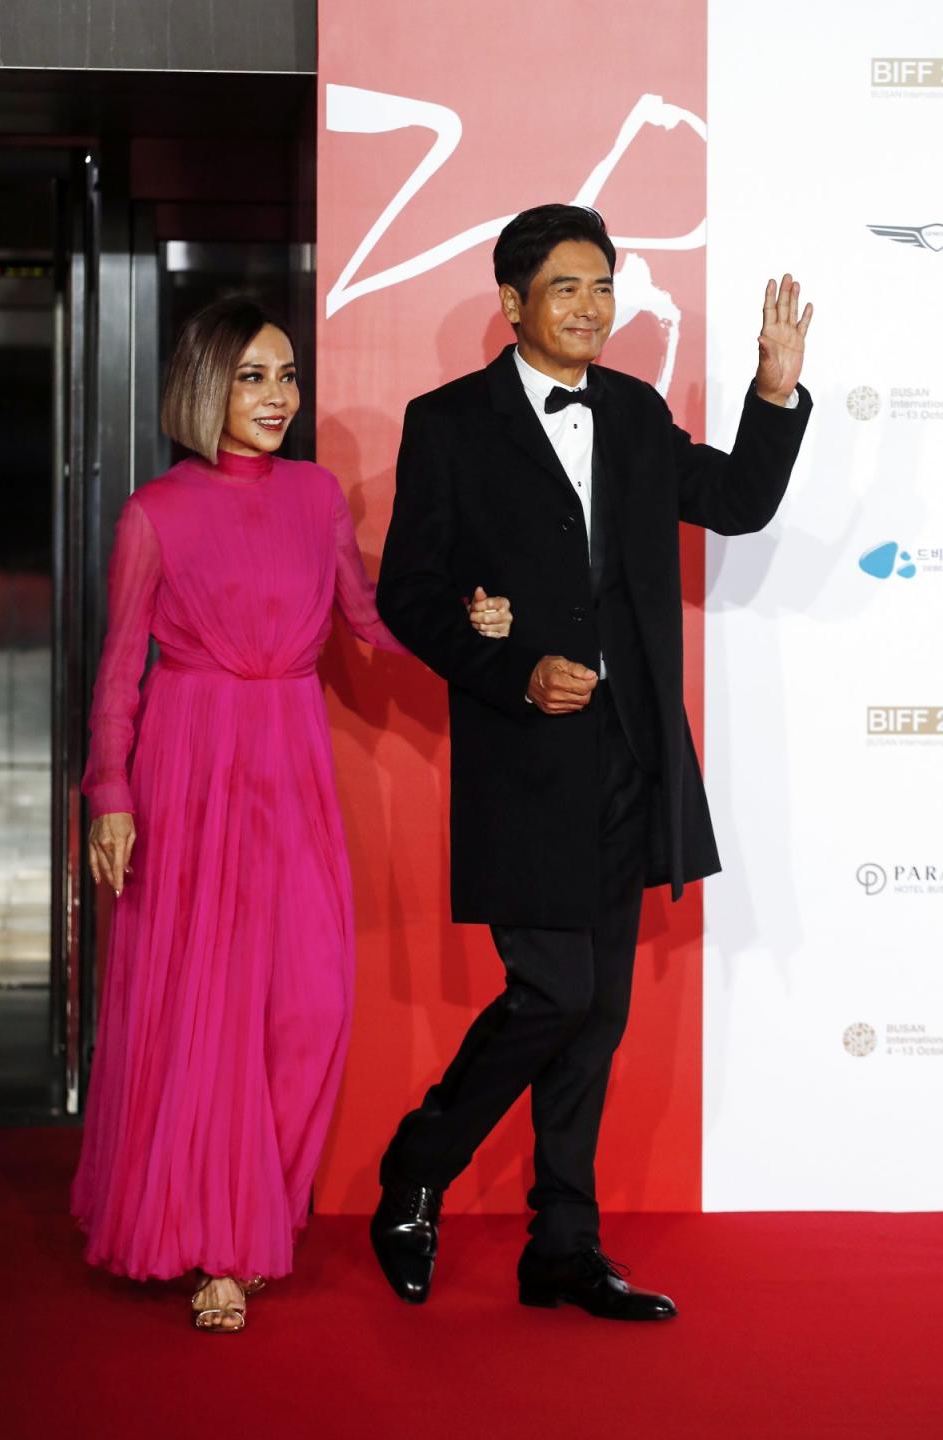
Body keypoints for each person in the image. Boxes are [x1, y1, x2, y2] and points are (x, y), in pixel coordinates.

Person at [370, 204, 813, 1320]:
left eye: (603, 287)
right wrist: (515, 667)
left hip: (631, 758)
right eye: (566, 288)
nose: (590, 308)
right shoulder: (450, 425)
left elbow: (736, 502)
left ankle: (563, 1244)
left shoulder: (632, 408)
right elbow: (409, 598)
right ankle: (419, 1167)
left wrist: (774, 392)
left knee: (600, 1012)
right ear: (513, 304)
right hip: (526, 762)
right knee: (555, 992)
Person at [71, 296, 512, 1332]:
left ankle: (258, 1210)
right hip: (186, 771)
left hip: (290, 766)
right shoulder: (155, 514)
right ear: (203, 385)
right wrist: (110, 793)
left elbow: (366, 621)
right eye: (254, 376)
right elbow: (118, 674)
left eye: (287, 376)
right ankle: (224, 1251)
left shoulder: (316, 498)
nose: (278, 396)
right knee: (204, 1017)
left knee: (308, 1007)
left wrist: (464, 625)